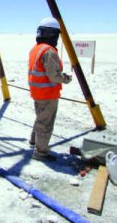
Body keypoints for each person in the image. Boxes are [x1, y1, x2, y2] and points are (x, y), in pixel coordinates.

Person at [28, 17, 72, 161]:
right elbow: (54, 76)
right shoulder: (49, 52)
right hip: (48, 93)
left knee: (40, 118)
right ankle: (41, 153)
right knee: (46, 123)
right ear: (52, 34)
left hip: (37, 92)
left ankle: (34, 141)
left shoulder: (36, 49)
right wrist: (65, 78)